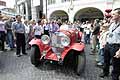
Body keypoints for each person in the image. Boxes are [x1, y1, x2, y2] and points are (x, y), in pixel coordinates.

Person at [99, 8, 120, 80]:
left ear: (119, 15)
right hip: (108, 45)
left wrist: (119, 51)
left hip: (116, 47)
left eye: (114, 14)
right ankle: (105, 72)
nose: (112, 15)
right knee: (106, 60)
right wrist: (105, 41)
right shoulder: (112, 24)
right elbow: (106, 30)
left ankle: (115, 77)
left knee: (116, 64)